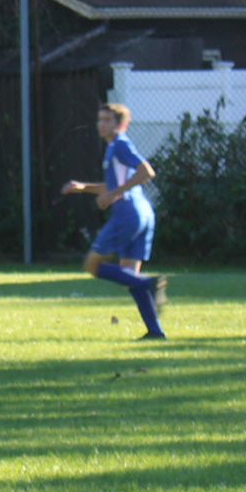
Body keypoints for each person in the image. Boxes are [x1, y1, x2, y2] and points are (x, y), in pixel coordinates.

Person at [60, 103, 168, 341]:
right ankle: (155, 331)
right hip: (142, 214)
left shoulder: (120, 144)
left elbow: (146, 172)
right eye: (100, 119)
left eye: (107, 120)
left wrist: (114, 194)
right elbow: (115, 184)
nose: (101, 124)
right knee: (130, 278)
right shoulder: (113, 148)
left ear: (120, 124)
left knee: (91, 264)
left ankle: (149, 283)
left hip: (128, 215)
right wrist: (84, 188)